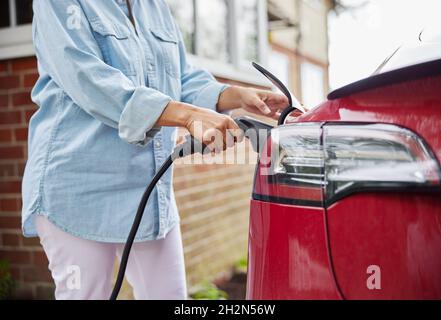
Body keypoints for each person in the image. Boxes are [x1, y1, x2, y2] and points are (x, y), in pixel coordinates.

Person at [22, 0, 289, 300]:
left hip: (148, 191)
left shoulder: (154, 6)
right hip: (78, 188)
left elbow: (180, 76)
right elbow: (89, 80)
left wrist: (234, 95)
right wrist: (187, 115)